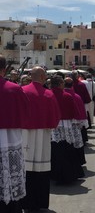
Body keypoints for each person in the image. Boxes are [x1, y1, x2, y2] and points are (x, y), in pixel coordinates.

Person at [21, 66, 60, 212]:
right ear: (43, 77)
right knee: (41, 169)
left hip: (24, 135)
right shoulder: (48, 94)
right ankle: (40, 203)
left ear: (31, 76)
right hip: (43, 136)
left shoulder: (22, 91)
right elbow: (56, 118)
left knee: (25, 169)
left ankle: (25, 202)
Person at [0, 55, 29, 213]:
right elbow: (26, 114)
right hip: (10, 140)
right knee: (9, 177)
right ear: (4, 70)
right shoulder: (15, 89)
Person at [51, 75, 84, 183]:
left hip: (52, 127)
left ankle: (55, 175)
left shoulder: (48, 94)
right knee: (68, 150)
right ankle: (70, 175)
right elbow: (75, 113)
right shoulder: (67, 96)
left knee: (55, 152)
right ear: (61, 84)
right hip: (67, 127)